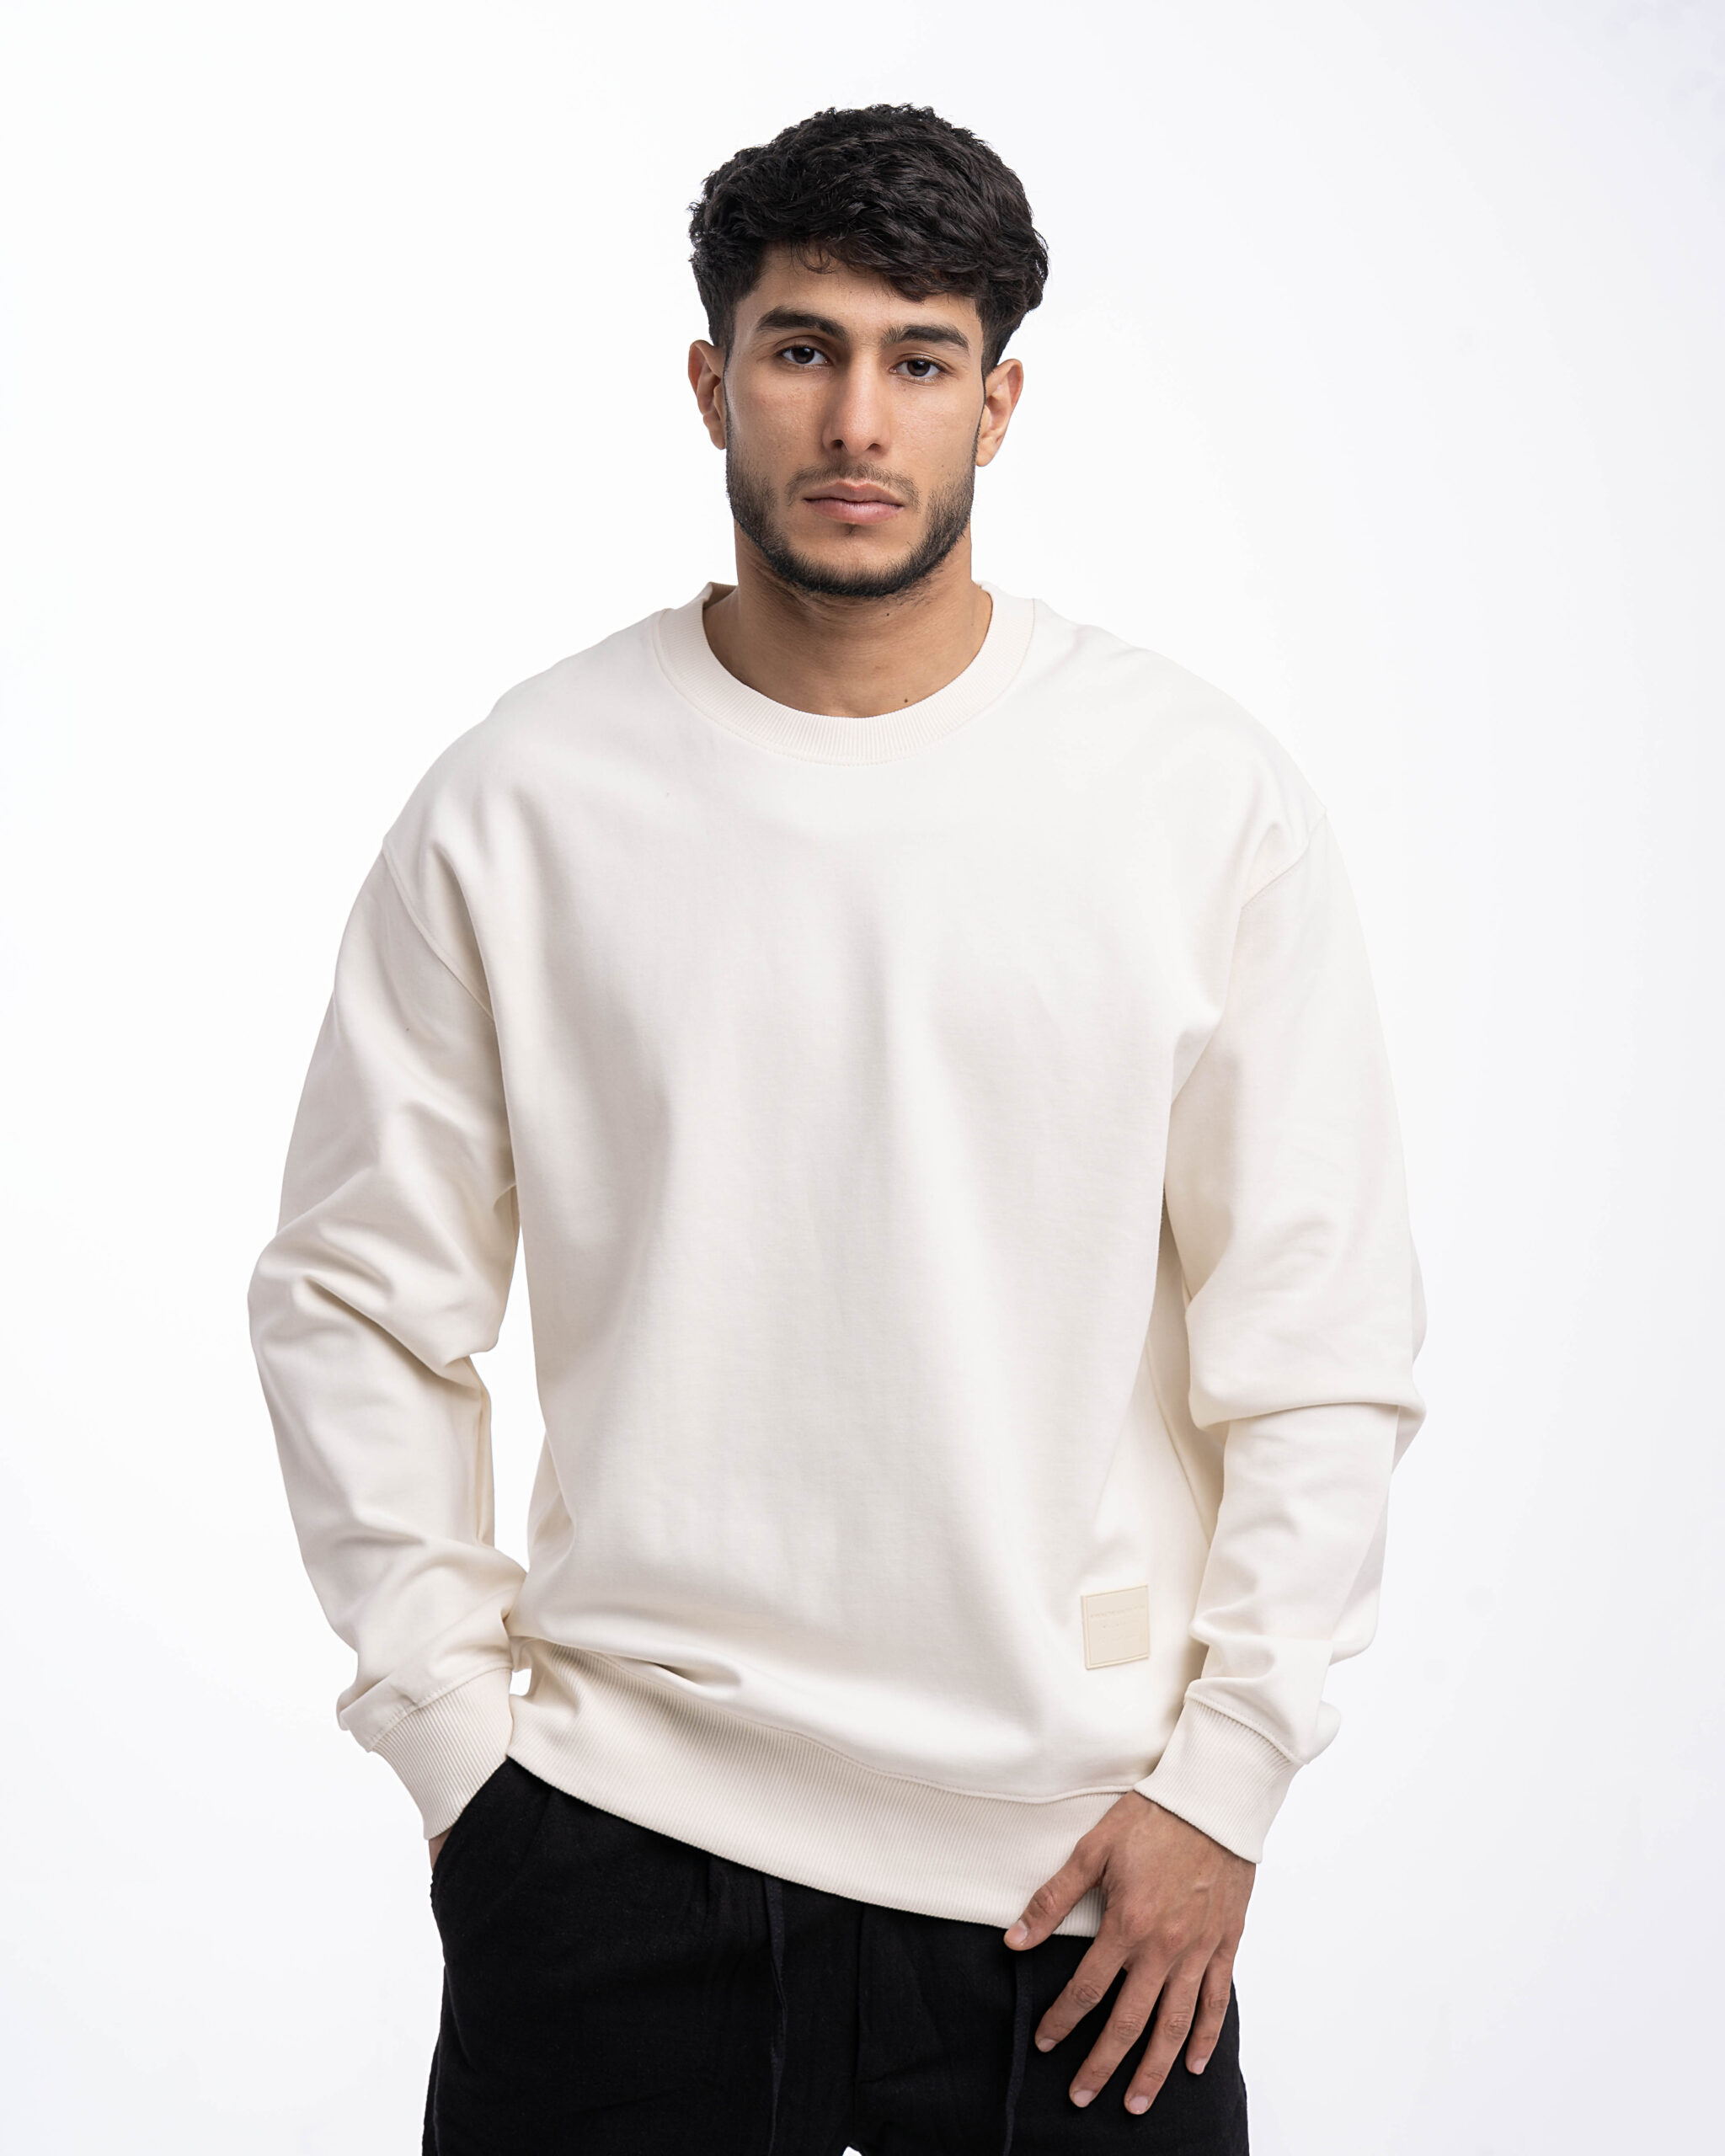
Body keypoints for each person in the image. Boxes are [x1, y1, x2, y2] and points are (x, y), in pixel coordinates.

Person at [249, 102, 1425, 2156]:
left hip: (1083, 1898)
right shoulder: (525, 799)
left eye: (919, 357)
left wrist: (1228, 1778)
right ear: (714, 382)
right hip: (612, 1853)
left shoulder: (1187, 799)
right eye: (802, 349)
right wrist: (457, 1757)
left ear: (998, 403)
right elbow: (354, 1296)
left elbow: (1317, 1340)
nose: (858, 419)